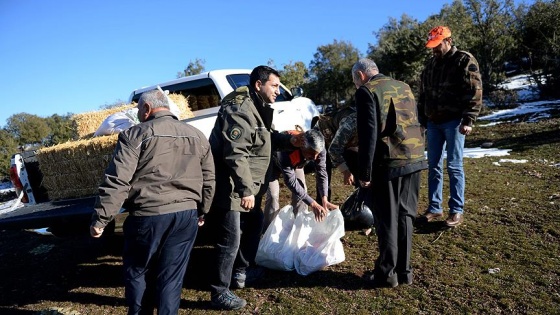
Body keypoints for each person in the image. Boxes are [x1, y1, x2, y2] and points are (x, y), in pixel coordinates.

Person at [90, 89, 216, 315]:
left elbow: (118, 180)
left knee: (138, 272)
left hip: (148, 215)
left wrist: (101, 218)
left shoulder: (135, 135)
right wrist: (203, 210)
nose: (138, 114)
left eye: (138, 109)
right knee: (172, 277)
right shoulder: (197, 135)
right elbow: (209, 178)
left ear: (147, 109)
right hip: (186, 214)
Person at [208, 65, 306, 311]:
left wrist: (289, 140)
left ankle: (241, 272)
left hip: (250, 183)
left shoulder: (258, 108)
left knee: (253, 225)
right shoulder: (240, 109)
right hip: (232, 185)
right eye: (274, 86)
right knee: (230, 238)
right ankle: (219, 291)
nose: (277, 91)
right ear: (258, 85)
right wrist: (245, 190)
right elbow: (235, 154)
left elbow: (266, 137)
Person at [353, 58, 427, 288]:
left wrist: (364, 172)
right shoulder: (404, 86)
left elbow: (369, 135)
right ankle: (405, 271)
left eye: (355, 81)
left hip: (389, 162)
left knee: (387, 219)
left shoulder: (367, 91)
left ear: (361, 76)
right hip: (414, 157)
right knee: (406, 215)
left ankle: (387, 273)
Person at [418, 26, 483, 227]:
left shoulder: (464, 60)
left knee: (454, 166)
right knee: (433, 166)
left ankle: (456, 210)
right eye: (432, 46)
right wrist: (422, 121)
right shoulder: (430, 65)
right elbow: (423, 95)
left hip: (455, 121)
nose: (435, 50)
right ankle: (435, 208)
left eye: (438, 45)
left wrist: (469, 119)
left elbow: (475, 90)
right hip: (433, 122)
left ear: (448, 41)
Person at [264, 129, 337, 230]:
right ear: (303, 146)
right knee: (273, 194)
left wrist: (324, 198)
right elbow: (290, 181)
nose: (315, 158)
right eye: (311, 153)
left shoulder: (319, 149)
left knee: (302, 193)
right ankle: (269, 230)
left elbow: (322, 173)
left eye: (317, 154)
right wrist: (313, 203)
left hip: (297, 164)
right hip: (273, 163)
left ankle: (299, 228)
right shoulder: (286, 148)